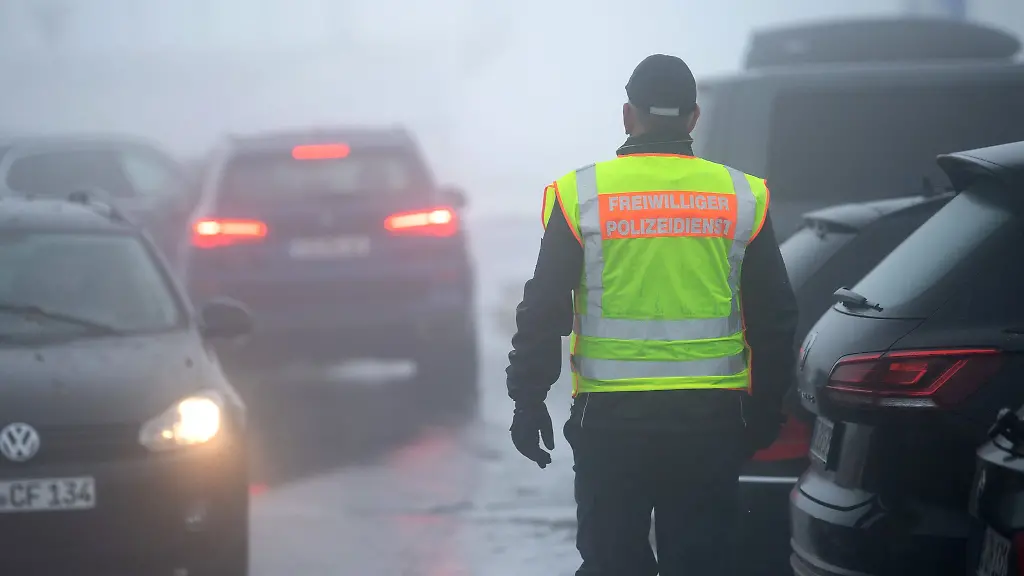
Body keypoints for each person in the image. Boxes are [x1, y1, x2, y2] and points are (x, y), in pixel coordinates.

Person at [505, 54, 799, 576]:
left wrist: (528, 400)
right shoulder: (740, 196)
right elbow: (773, 314)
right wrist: (766, 406)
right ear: (692, 118)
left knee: (613, 563)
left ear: (628, 116)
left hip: (612, 423)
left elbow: (545, 306)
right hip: (709, 423)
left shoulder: (582, 196)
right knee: (702, 563)